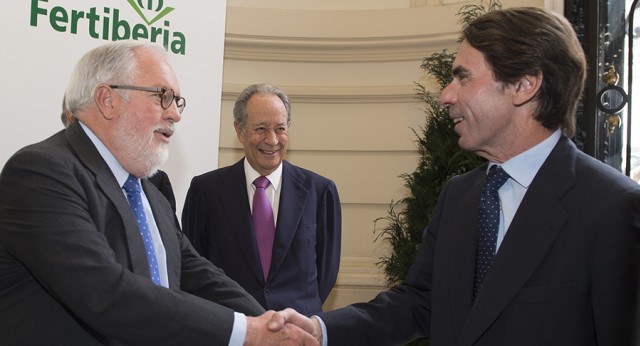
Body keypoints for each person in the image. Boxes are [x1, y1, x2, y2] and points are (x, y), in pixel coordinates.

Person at [270, 7, 640, 345]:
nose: (445, 96)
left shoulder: (611, 208)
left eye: (462, 77)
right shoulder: (459, 195)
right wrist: (319, 330)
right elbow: (418, 303)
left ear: (525, 84)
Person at [0, 41, 318, 345]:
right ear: (107, 100)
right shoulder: (40, 172)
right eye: (162, 96)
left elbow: (195, 272)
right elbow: (105, 292)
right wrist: (247, 332)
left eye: (177, 101)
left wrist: (271, 322)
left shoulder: (146, 190)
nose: (175, 114)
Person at [182, 83, 342, 316]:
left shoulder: (321, 192)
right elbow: (194, 269)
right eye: (260, 128)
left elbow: (326, 273)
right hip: (232, 330)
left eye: (280, 128)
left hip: (297, 331)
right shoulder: (206, 191)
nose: (272, 140)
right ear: (239, 130)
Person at [61, 95, 180, 227]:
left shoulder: (155, 181)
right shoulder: (58, 177)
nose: (175, 115)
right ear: (72, 120)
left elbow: (175, 241)